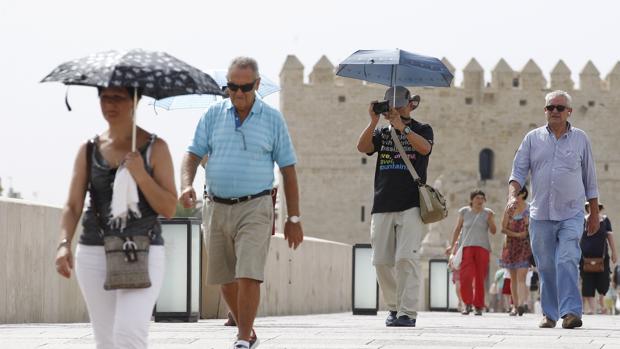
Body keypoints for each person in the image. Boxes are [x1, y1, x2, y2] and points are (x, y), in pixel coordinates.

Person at [180, 57, 303, 349]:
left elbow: (288, 169)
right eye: (232, 87)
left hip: (256, 205)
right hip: (215, 206)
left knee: (248, 272)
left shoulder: (272, 119)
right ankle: (248, 328)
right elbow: (192, 154)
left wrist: (293, 218)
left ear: (257, 85)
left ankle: (243, 337)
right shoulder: (213, 115)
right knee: (225, 277)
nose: (237, 93)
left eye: (244, 88)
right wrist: (185, 185)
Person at [54, 86, 178, 348]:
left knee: (128, 334)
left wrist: (140, 174)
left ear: (136, 100)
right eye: (105, 97)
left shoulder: (156, 148)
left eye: (118, 97)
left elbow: (168, 208)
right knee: (107, 339)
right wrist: (64, 244)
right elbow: (73, 205)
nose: (110, 104)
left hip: (141, 250)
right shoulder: (88, 150)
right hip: (93, 252)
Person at [507, 90, 600, 329]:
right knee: (546, 265)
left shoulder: (581, 139)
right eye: (550, 108)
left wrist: (594, 214)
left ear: (569, 111)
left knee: (567, 258)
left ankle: (571, 312)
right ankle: (549, 313)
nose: (555, 112)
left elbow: (590, 178)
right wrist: (512, 196)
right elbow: (518, 172)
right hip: (540, 214)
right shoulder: (532, 138)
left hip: (572, 212)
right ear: (545, 111)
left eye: (560, 108)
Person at [356, 86, 432, 327]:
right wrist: (373, 121)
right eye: (391, 103)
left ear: (412, 104)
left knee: (405, 259)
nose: (396, 107)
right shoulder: (383, 132)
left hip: (411, 203)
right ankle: (393, 307)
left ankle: (407, 313)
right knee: (380, 259)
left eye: (400, 103)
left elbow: (425, 148)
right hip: (383, 202)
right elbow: (363, 147)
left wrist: (402, 127)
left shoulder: (422, 129)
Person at [448, 190, 497, 315]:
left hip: (483, 248)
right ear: (471, 200)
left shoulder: (488, 213)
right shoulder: (464, 212)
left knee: (480, 278)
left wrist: (491, 220)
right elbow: (457, 229)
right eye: (477, 198)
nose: (479, 200)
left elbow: (493, 231)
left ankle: (479, 306)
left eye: (482, 198)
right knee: (465, 277)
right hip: (467, 248)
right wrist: (452, 245)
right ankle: (467, 303)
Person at [499, 186, 532, 316]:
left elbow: (534, 227)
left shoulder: (530, 209)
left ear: (523, 194)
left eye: (516, 194)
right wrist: (517, 235)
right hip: (511, 245)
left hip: (525, 246)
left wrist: (527, 225)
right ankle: (515, 305)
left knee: (522, 276)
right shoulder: (509, 209)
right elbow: (503, 228)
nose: (514, 197)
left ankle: (522, 304)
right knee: (513, 277)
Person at [581, 203, 617, 314]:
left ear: (599, 208)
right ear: (587, 208)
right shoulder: (582, 220)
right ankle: (593, 309)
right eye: (589, 206)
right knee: (587, 284)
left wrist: (614, 252)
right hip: (585, 258)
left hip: (602, 258)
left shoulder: (605, 220)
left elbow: (610, 237)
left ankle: (601, 300)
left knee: (604, 282)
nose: (591, 208)